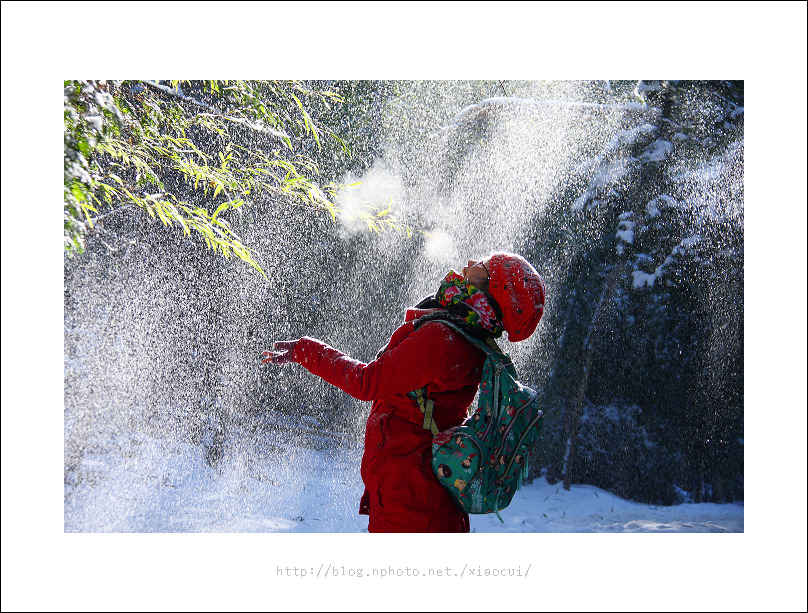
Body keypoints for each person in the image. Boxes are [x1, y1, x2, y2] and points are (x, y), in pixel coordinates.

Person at [261, 252, 546, 532]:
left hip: (409, 501)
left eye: (482, 266)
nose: (471, 263)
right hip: (427, 500)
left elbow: (366, 381)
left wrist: (306, 351)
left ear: (491, 289)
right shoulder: (473, 338)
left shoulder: (444, 339)